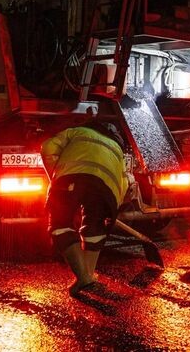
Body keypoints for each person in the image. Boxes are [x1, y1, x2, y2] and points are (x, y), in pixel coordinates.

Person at [41, 119, 128, 296]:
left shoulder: (76, 131)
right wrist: (112, 206)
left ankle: (84, 279)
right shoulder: (117, 149)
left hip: (70, 179)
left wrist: (56, 175)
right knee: (95, 228)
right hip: (105, 189)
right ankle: (88, 277)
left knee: (59, 225)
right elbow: (124, 182)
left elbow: (48, 147)